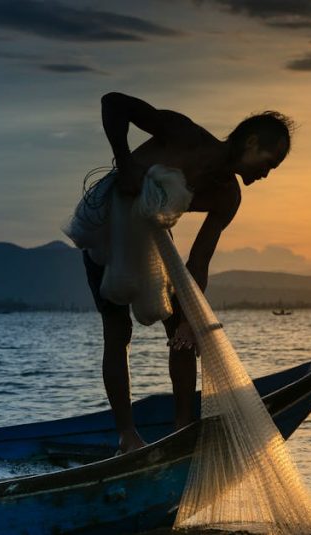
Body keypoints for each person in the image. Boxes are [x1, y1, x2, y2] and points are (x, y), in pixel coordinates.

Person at [82, 92, 293, 454]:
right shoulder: (183, 135)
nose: (265, 174)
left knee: (183, 323)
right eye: (268, 162)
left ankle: (182, 426)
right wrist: (125, 162)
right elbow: (112, 103)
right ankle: (127, 436)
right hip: (107, 227)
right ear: (251, 142)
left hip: (151, 238)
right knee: (118, 330)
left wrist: (189, 322)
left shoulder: (228, 196)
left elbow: (199, 261)